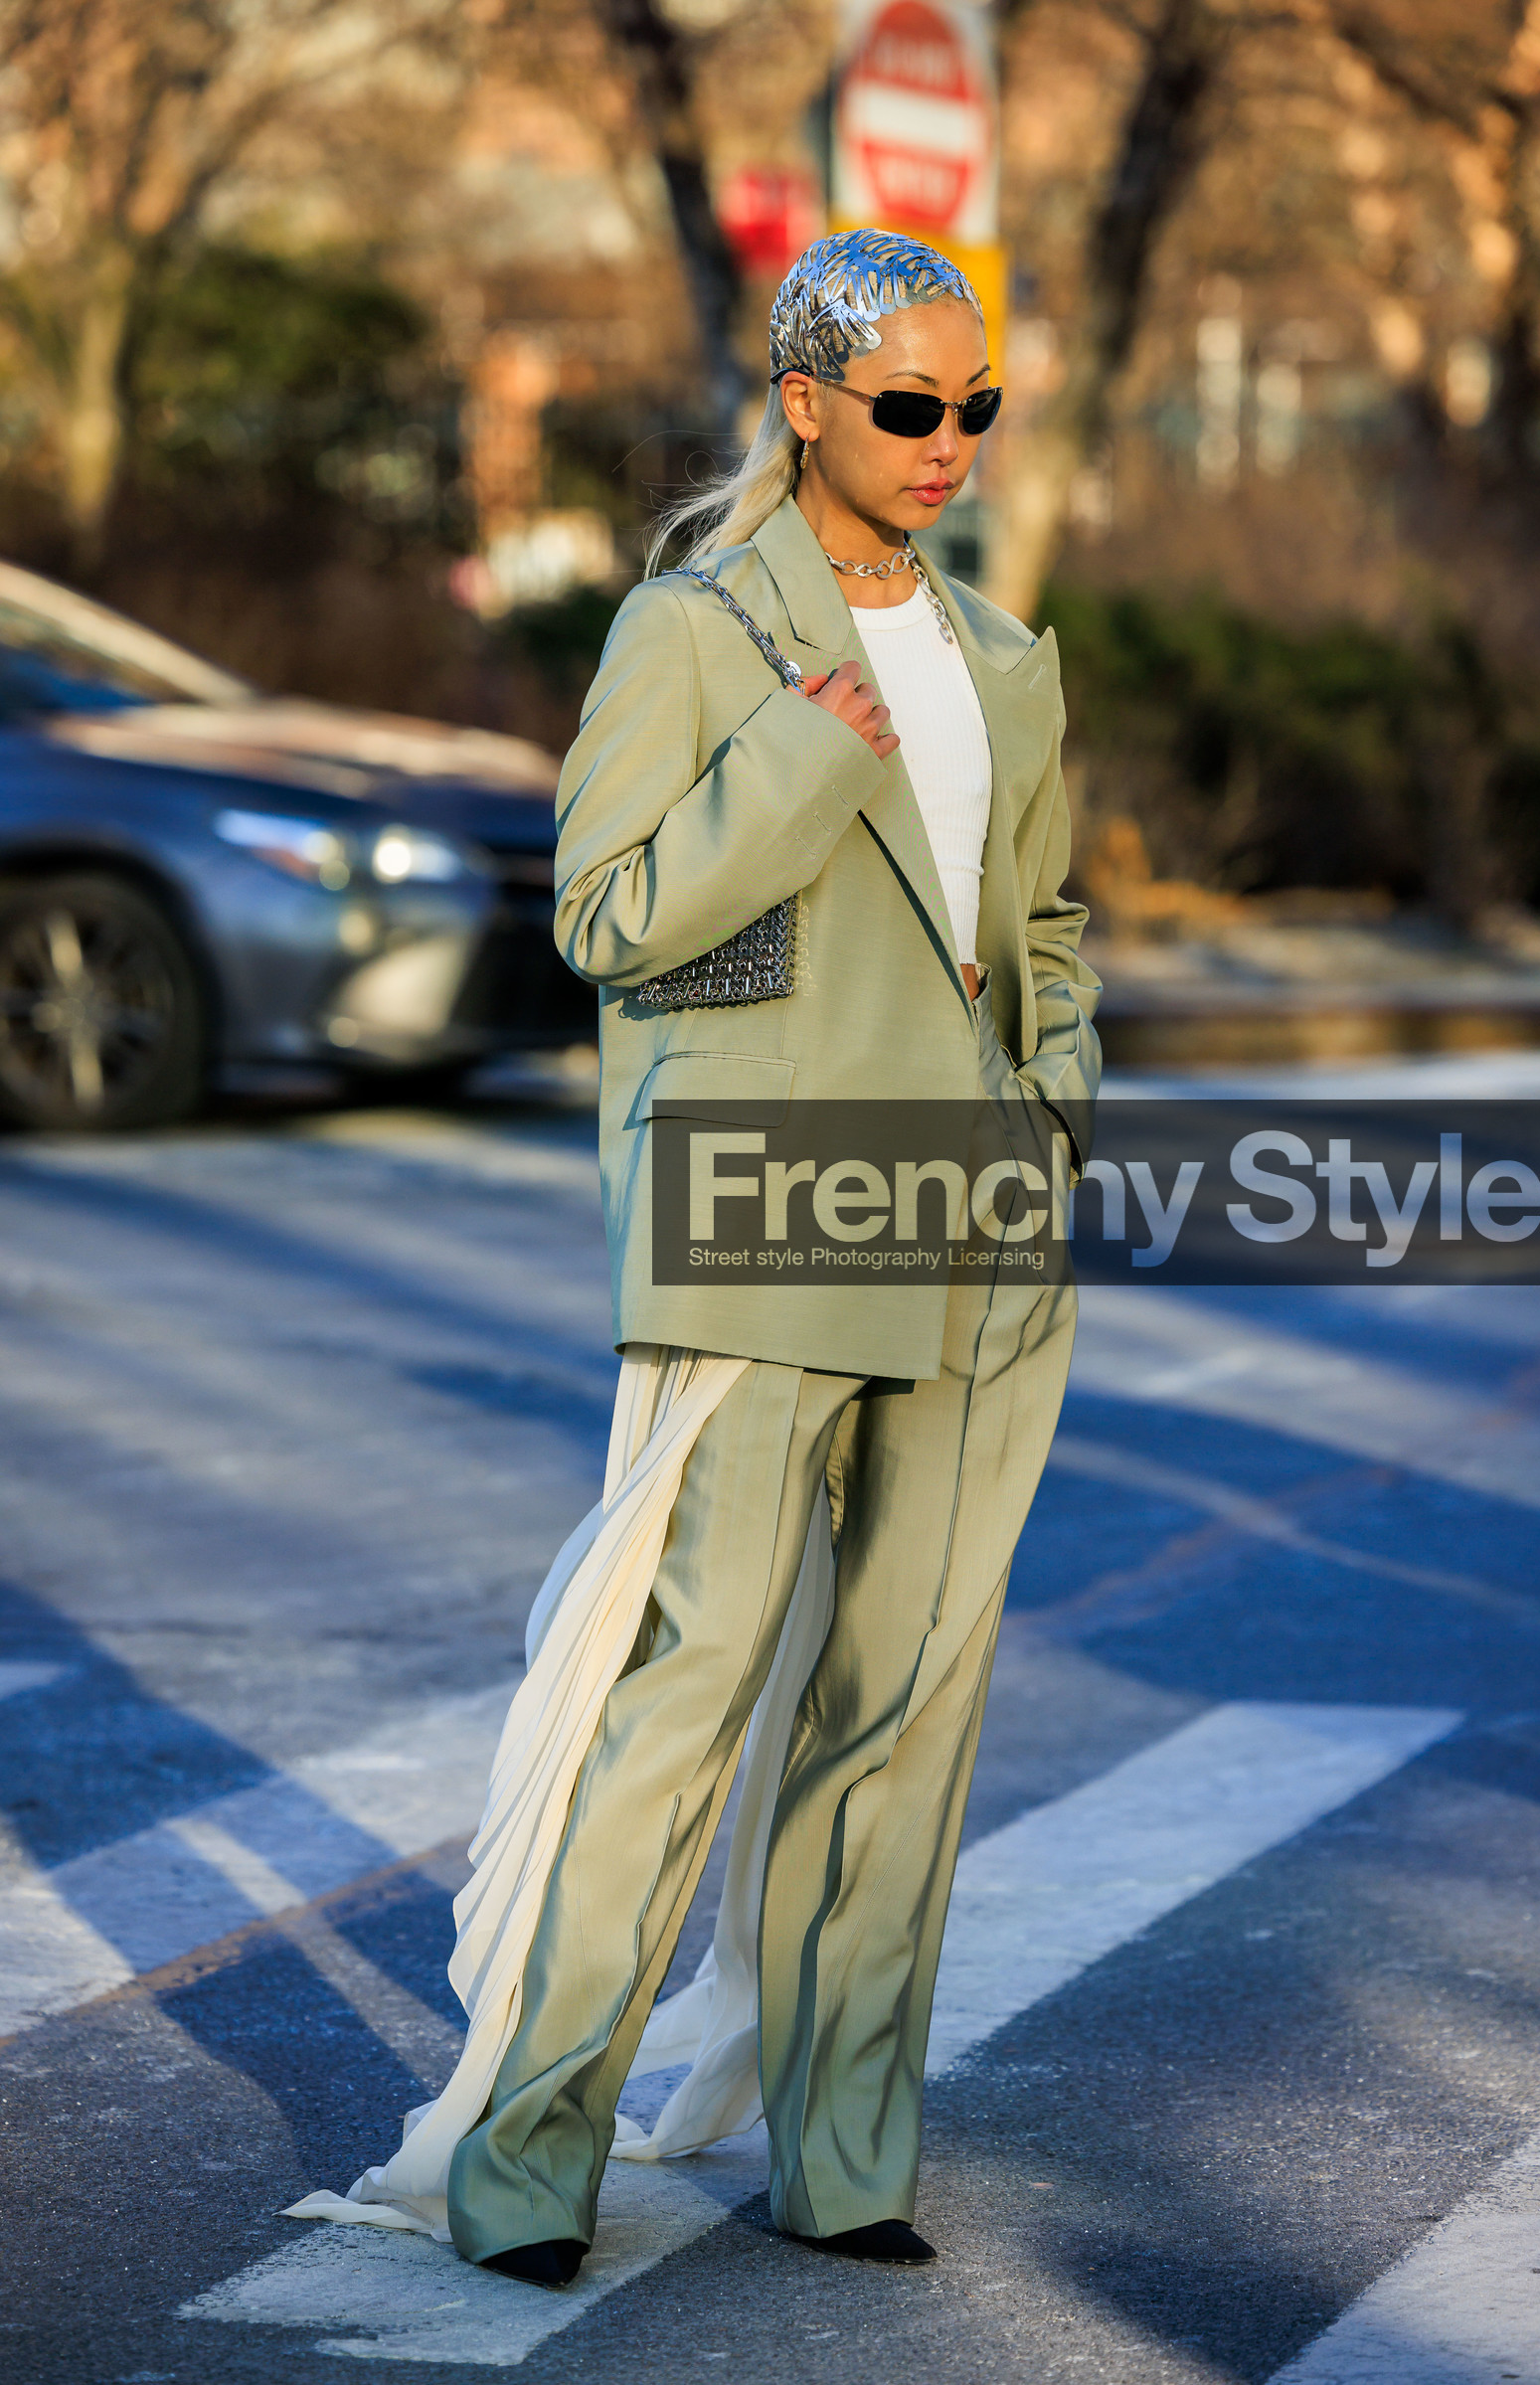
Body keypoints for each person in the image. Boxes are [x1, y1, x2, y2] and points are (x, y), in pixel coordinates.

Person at [288, 226, 1102, 2285]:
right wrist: (805, 748)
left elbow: (1049, 931)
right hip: (757, 1209)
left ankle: (844, 2162)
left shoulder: (1008, 658)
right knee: (692, 1686)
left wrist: (1051, 1114)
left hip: (977, 1230)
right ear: (804, 405)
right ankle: (528, 2165)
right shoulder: (688, 630)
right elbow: (608, 917)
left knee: (906, 1707)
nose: (944, 444)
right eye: (904, 406)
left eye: (971, 406)